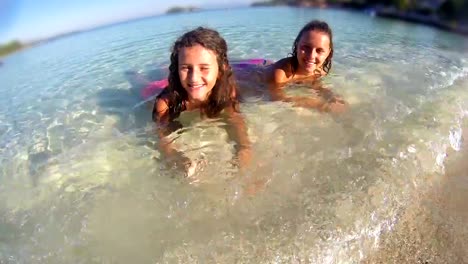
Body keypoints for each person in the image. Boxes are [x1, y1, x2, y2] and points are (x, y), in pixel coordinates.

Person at [153, 27, 251, 177]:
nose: (194, 78)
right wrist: (175, 156)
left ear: (220, 70)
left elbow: (235, 120)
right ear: (176, 69)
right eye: (186, 68)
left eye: (204, 68)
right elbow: (162, 137)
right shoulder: (165, 103)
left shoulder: (226, 92)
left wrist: (243, 148)